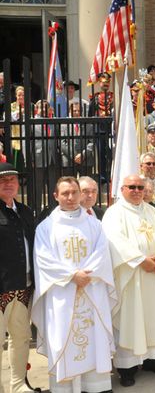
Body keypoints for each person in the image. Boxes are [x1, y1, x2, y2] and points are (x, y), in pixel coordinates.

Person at [32, 177, 116, 393]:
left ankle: (96, 387)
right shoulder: (46, 227)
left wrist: (86, 275)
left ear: (80, 194)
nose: (70, 197)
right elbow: (43, 259)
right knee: (64, 340)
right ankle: (66, 389)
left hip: (92, 289)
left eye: (74, 192)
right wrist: (72, 275)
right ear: (55, 196)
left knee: (94, 338)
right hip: (62, 294)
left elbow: (102, 252)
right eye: (65, 193)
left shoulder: (95, 224)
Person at [102, 175, 155, 387]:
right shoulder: (114, 213)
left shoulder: (152, 211)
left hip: (153, 274)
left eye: (140, 187)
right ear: (122, 189)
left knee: (152, 316)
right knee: (131, 319)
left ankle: (152, 359)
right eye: (132, 187)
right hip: (130, 276)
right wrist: (141, 260)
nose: (137, 190)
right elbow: (114, 241)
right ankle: (127, 367)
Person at [0, 163, 35, 393]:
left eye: (12, 179)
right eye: (3, 180)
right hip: (1, 287)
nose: (9, 183)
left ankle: (17, 384)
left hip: (23, 287)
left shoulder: (25, 211)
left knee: (21, 337)